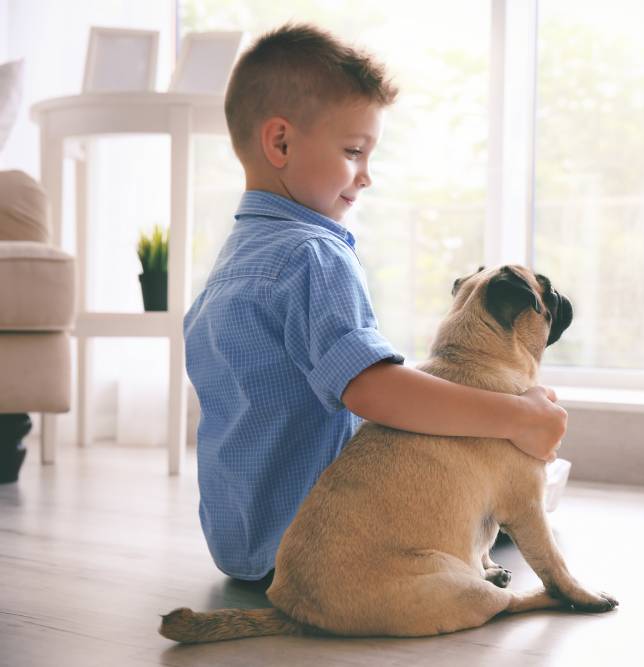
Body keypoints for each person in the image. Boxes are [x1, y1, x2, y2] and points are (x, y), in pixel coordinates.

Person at [183, 23, 566, 583]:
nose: (366, 175)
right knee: (509, 499)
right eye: (353, 152)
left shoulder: (236, 260)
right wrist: (518, 416)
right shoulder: (313, 255)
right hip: (321, 547)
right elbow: (377, 391)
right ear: (281, 143)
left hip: (242, 543)